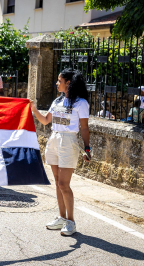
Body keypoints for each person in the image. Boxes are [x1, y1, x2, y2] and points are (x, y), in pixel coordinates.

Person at [30, 68, 91, 236]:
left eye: (59, 81)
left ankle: (71, 222)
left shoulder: (81, 103)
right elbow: (45, 120)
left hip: (69, 141)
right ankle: (61, 218)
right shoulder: (57, 101)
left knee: (64, 184)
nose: (57, 83)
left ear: (68, 83)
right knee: (57, 182)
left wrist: (87, 147)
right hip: (54, 139)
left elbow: (84, 128)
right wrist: (33, 109)